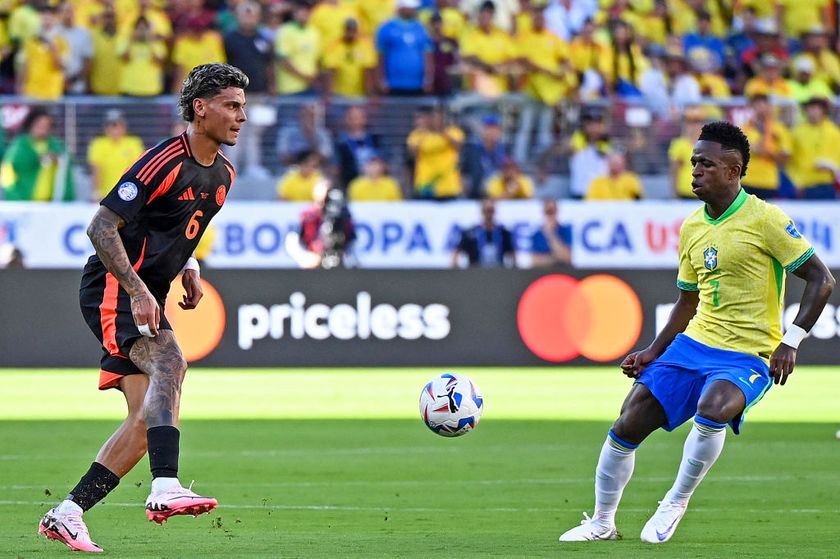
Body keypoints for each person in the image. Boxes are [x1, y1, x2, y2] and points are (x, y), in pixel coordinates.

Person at [558, 120, 835, 544]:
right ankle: (602, 522)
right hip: (694, 343)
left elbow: (821, 279)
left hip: (749, 352)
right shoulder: (691, 227)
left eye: (705, 163)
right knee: (628, 422)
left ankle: (675, 500)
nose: (695, 170)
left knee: (713, 407)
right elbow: (687, 301)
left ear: (733, 169)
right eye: (693, 163)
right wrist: (653, 349)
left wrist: (791, 340)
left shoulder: (765, 219)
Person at [38, 63, 249, 553]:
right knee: (172, 363)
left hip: (145, 291)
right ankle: (164, 485)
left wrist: (190, 268)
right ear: (201, 108)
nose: (241, 116)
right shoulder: (162, 161)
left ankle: (67, 513)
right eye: (232, 106)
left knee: (142, 421)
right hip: (114, 287)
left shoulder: (223, 173)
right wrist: (136, 290)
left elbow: (176, 231)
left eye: (243, 106)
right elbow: (101, 227)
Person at [0, 107, 73, 201]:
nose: (42, 129)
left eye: (46, 125)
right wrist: (13, 196)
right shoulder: (19, 146)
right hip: (24, 201)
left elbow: (68, 163)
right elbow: (7, 172)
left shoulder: (56, 145)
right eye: (39, 125)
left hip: (52, 204)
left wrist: (57, 159)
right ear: (31, 124)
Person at [740, 94, 792, 200]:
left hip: (768, 182)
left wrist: (769, 153)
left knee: (764, 215)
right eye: (757, 105)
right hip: (747, 180)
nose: (760, 108)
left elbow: (786, 157)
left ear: (769, 106)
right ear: (752, 107)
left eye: (763, 104)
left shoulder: (779, 129)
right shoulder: (744, 129)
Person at [376, 0, 432, 95]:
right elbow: (380, 57)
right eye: (410, 8)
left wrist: (428, 79)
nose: (414, 10)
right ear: (401, 8)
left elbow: (427, 56)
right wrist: (381, 80)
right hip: (393, 84)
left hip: (417, 84)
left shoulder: (420, 28)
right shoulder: (386, 28)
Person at [407, 106, 464, 199]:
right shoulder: (416, 135)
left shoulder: (453, 131)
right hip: (425, 185)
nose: (437, 120)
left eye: (440, 117)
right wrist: (424, 133)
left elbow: (458, 145)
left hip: (448, 185)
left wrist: (442, 131)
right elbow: (414, 153)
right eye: (434, 117)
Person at [788, 96, 840, 200]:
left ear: (823, 111)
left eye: (816, 108)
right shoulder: (797, 132)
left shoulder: (833, 132)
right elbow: (790, 161)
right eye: (809, 109)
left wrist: (832, 166)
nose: (812, 112)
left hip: (828, 184)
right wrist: (796, 181)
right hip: (805, 185)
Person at [87, 110, 145, 201]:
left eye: (116, 125)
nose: (113, 129)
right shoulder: (98, 143)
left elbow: (138, 169)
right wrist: (96, 191)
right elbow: (96, 169)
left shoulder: (134, 143)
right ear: (105, 128)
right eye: (109, 125)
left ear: (124, 127)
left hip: (129, 194)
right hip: (106, 195)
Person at [334, 105, 381, 190]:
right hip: (350, 184)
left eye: (359, 117)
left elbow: (383, 160)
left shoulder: (375, 139)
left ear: (365, 119)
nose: (355, 121)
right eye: (352, 118)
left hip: (375, 184)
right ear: (346, 120)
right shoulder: (340, 143)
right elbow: (336, 167)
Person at [530, 198, 571, 267]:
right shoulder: (536, 234)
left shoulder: (565, 230)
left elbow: (567, 258)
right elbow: (535, 261)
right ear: (543, 212)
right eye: (548, 212)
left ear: (557, 211)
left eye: (552, 211)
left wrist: (550, 234)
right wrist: (556, 257)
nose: (550, 215)